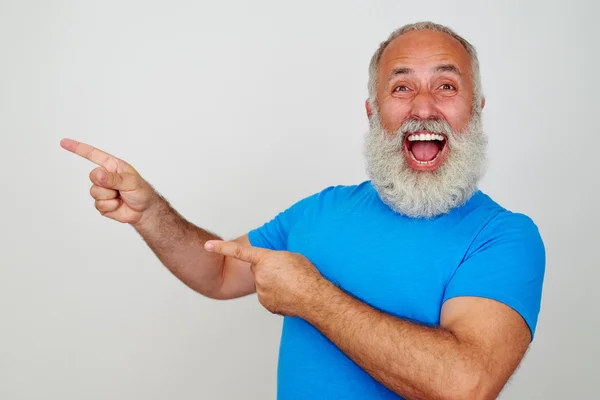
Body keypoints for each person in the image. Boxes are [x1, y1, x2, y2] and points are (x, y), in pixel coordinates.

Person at [61, 21, 545, 400]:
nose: (422, 107)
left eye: (445, 86)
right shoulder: (323, 209)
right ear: (372, 112)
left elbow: (465, 385)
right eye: (400, 88)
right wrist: (149, 212)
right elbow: (221, 272)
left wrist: (311, 297)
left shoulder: (504, 237)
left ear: (475, 108)